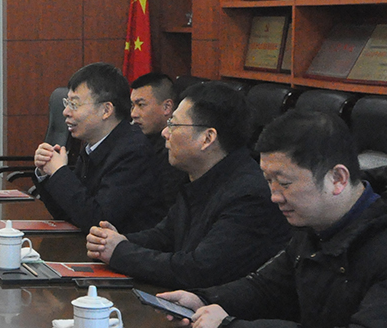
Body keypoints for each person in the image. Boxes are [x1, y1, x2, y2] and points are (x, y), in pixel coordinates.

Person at [159, 110, 387, 328]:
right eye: (269, 181)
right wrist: (203, 300)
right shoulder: (314, 227)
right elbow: (267, 288)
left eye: (285, 183)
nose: (274, 196)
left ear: (337, 178)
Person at [86, 82, 290, 288]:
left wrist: (120, 251)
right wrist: (115, 240)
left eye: (173, 125)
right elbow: (165, 236)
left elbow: (199, 270)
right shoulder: (199, 176)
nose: (165, 133)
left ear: (207, 138)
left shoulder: (249, 195)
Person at [33, 62, 165, 233]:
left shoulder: (133, 151)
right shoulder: (94, 145)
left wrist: (59, 172)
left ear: (106, 110)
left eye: (74, 104)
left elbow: (98, 220)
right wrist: (46, 173)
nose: (66, 112)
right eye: (67, 103)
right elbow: (66, 212)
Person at [130, 72, 187, 207]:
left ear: (167, 107)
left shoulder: (176, 150)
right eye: (132, 106)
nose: (133, 114)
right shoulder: (135, 139)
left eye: (141, 105)